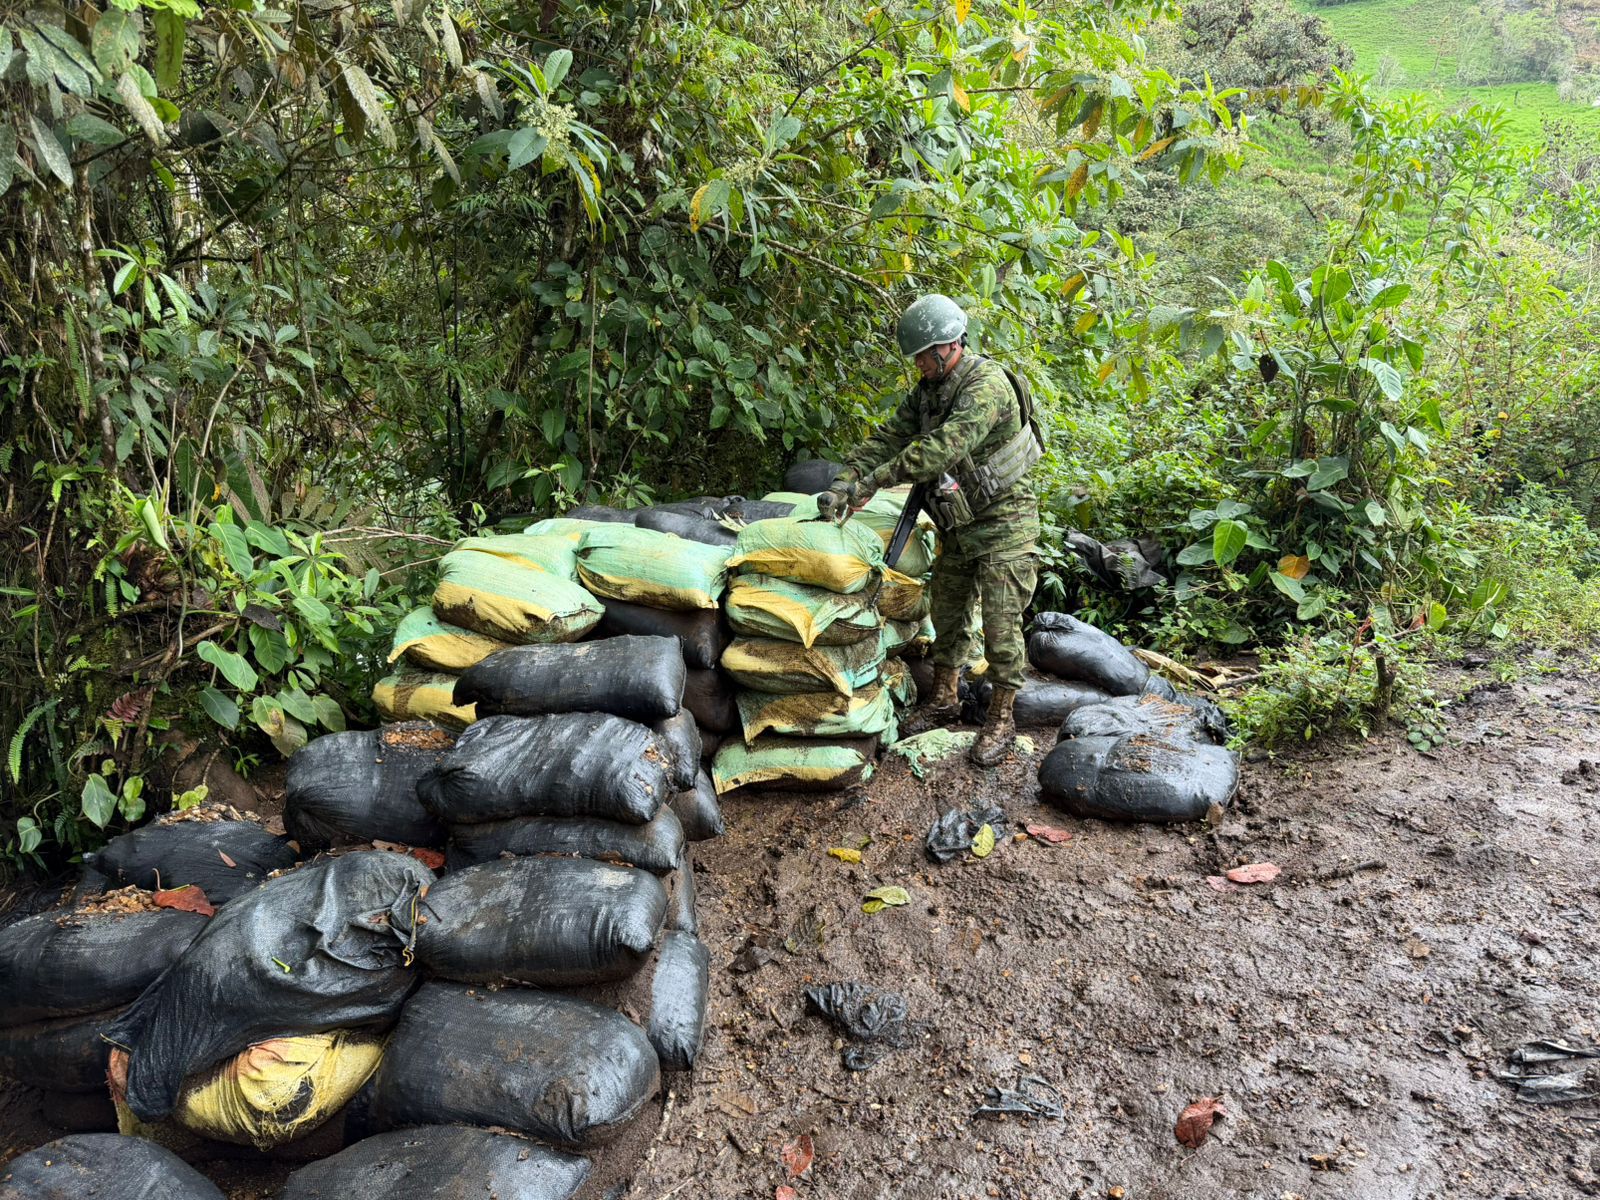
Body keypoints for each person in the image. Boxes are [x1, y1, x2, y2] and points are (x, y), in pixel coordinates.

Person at [817, 294, 1042, 766]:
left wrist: (876, 482)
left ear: (952, 344)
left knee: (1002, 628)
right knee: (947, 613)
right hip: (957, 522)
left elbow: (940, 449)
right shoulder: (927, 392)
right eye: (916, 356)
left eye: (925, 354)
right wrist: (844, 481)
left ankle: (1001, 718)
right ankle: (944, 697)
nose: (919, 364)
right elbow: (888, 438)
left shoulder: (986, 385)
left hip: (1005, 524)